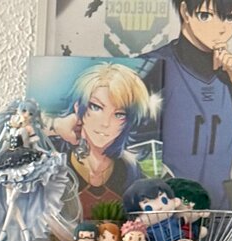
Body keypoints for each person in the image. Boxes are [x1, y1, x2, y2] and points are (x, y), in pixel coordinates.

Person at [145, 0, 232, 209]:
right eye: (206, 16)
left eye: (230, 18)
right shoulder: (153, 67)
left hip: (221, 215)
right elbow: (133, 150)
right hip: (164, 213)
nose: (221, 29)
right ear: (185, 11)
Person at [44, 62, 154, 217]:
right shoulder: (54, 159)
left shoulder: (129, 170)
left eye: (119, 114)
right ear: (78, 107)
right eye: (96, 107)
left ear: (128, 122)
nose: (105, 123)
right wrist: (55, 125)